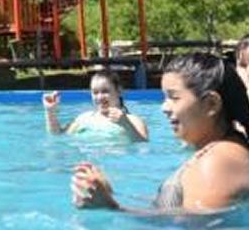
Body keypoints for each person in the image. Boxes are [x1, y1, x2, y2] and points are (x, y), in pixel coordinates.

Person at [73, 52, 249, 214]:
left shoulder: (216, 163)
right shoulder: (218, 151)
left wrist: (112, 208)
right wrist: (111, 196)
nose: (164, 107)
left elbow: (195, 225)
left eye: (174, 97)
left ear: (211, 104)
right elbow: (178, 210)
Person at [43, 69, 149, 142]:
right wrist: (50, 112)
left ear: (119, 91)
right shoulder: (84, 119)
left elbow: (142, 144)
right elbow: (57, 135)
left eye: (105, 91)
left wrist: (126, 124)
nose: (99, 97)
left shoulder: (133, 120)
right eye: (95, 92)